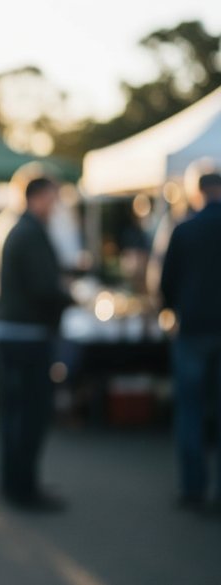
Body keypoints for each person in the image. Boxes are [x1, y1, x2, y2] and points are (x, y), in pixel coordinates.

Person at [0, 177, 74, 512]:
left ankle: (17, 485)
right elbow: (43, 288)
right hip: (27, 336)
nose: (55, 206)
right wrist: (70, 297)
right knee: (29, 415)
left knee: (16, 416)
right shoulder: (29, 231)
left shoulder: (14, 227)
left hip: (13, 332)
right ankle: (23, 488)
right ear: (38, 197)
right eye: (52, 199)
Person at [159, 172, 221, 509]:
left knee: (191, 410)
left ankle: (193, 488)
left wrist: (170, 309)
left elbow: (166, 280)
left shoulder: (184, 228)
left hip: (193, 328)